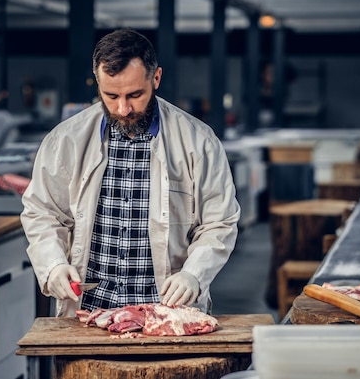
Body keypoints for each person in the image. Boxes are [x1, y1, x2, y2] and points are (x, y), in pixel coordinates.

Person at [20, 28, 240, 317]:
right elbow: (43, 212)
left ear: (156, 78)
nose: (123, 109)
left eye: (135, 94)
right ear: (97, 83)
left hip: (168, 312)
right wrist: (54, 264)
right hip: (89, 313)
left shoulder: (199, 141)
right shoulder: (65, 141)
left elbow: (219, 222)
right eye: (111, 96)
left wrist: (194, 275)